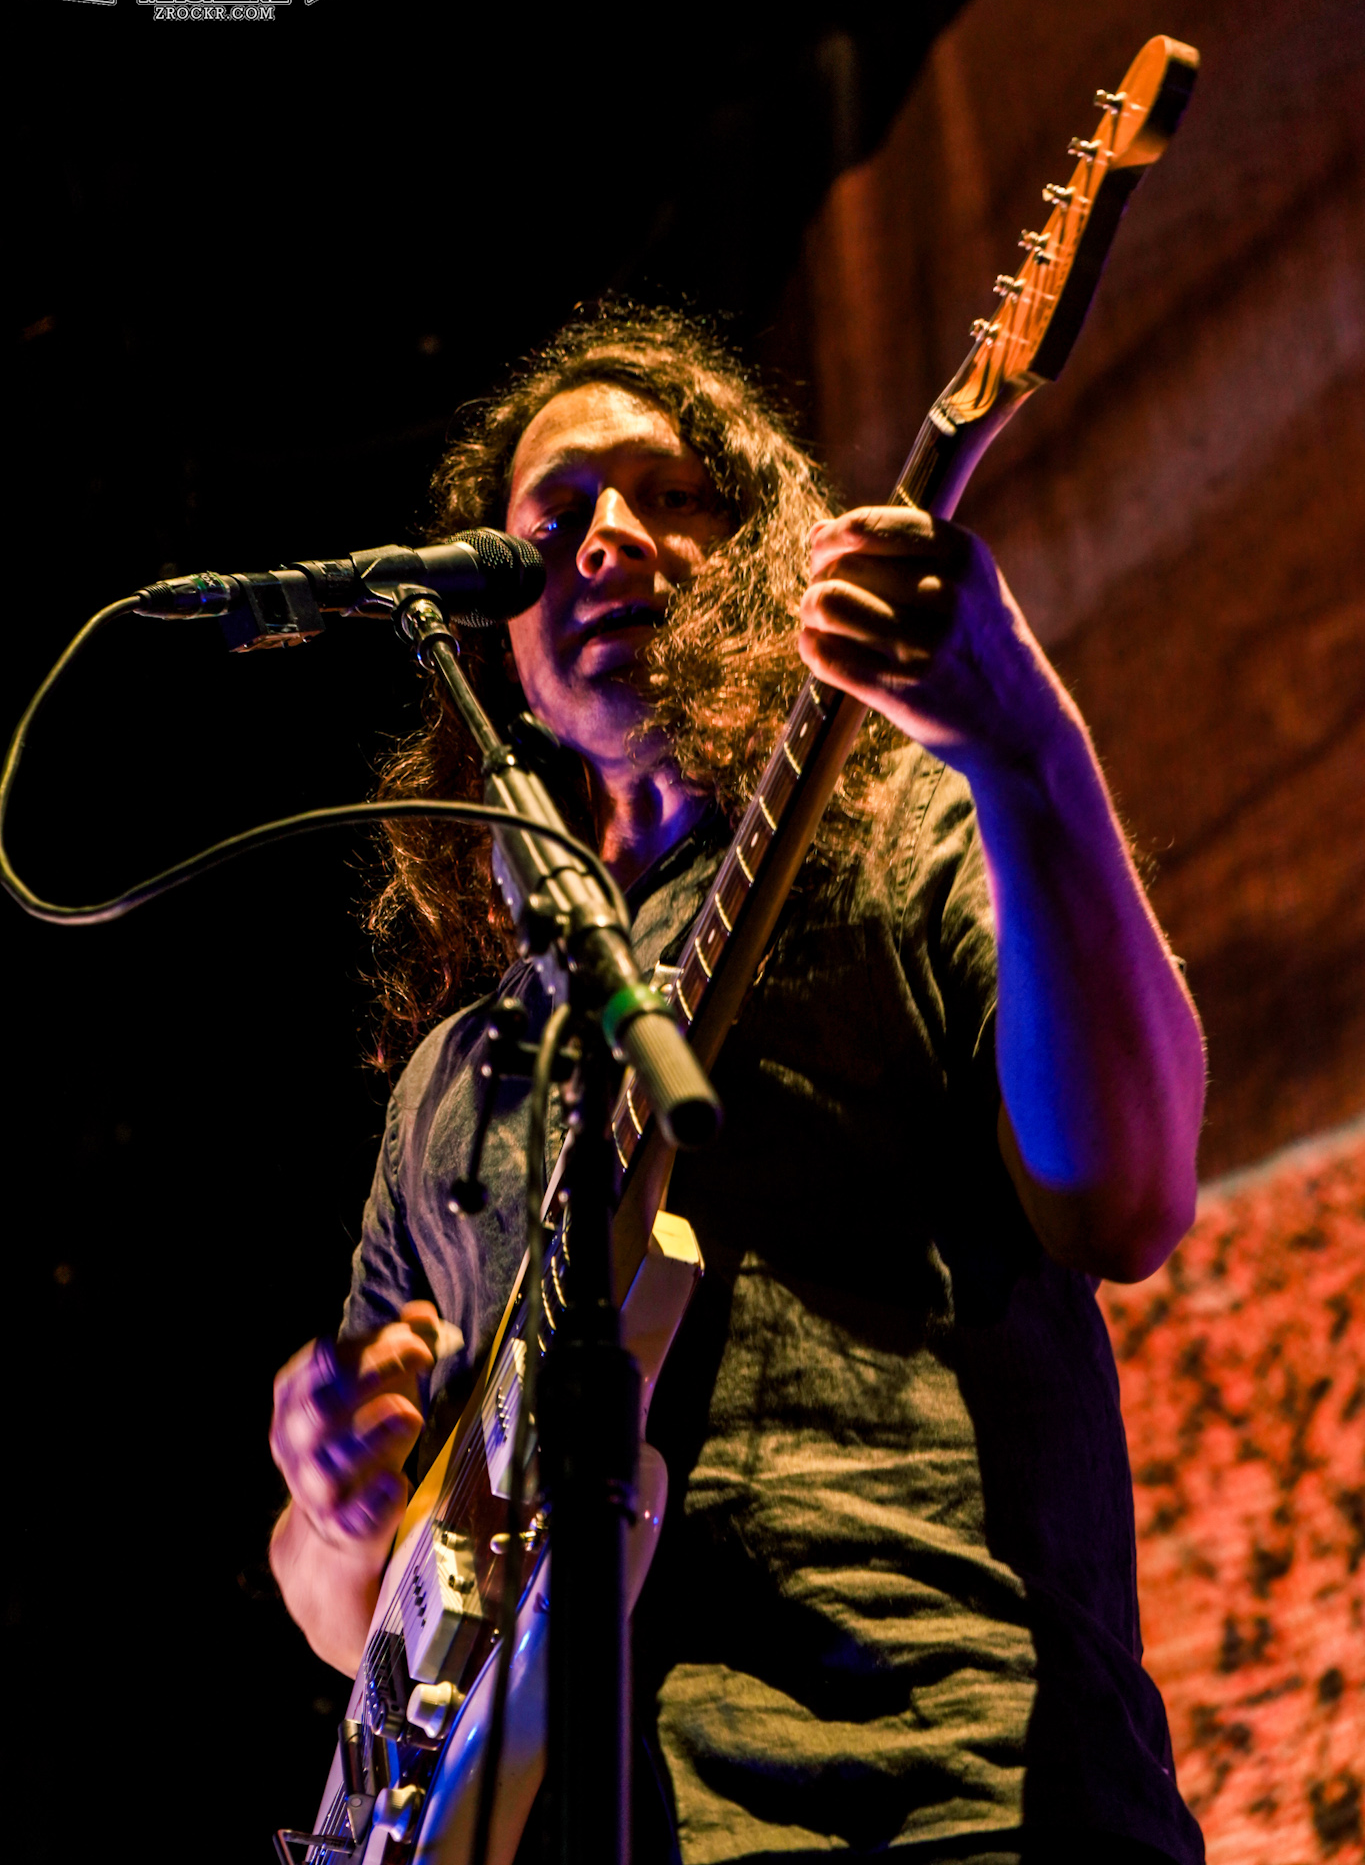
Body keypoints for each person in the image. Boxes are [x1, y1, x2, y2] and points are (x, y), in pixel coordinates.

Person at [268, 307, 1207, 1863]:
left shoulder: (896, 836)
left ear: (762, 555)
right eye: (554, 520)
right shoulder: (453, 1079)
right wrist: (329, 1499)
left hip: (952, 1783)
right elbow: (341, 1609)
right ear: (496, 636)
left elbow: (1128, 1196)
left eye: (669, 497)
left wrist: (1022, 748)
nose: (611, 539)